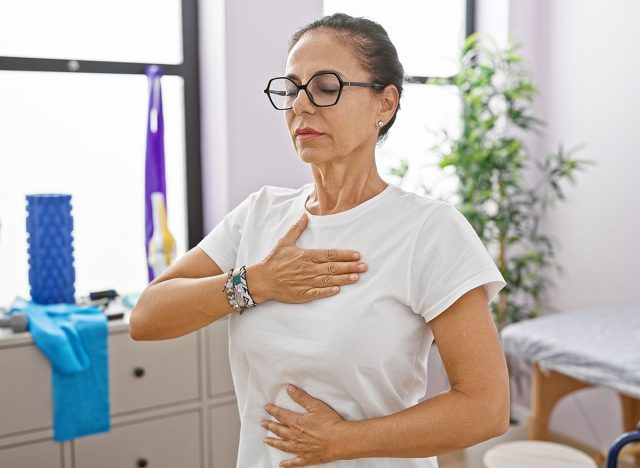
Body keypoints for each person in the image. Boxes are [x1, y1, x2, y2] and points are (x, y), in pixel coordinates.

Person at [130, 12, 510, 468]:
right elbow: (147, 317)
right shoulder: (260, 214)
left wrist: (342, 441)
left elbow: (486, 408)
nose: (300, 106)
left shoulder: (428, 230)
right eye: (291, 89)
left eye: (326, 88)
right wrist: (255, 283)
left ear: (384, 104)